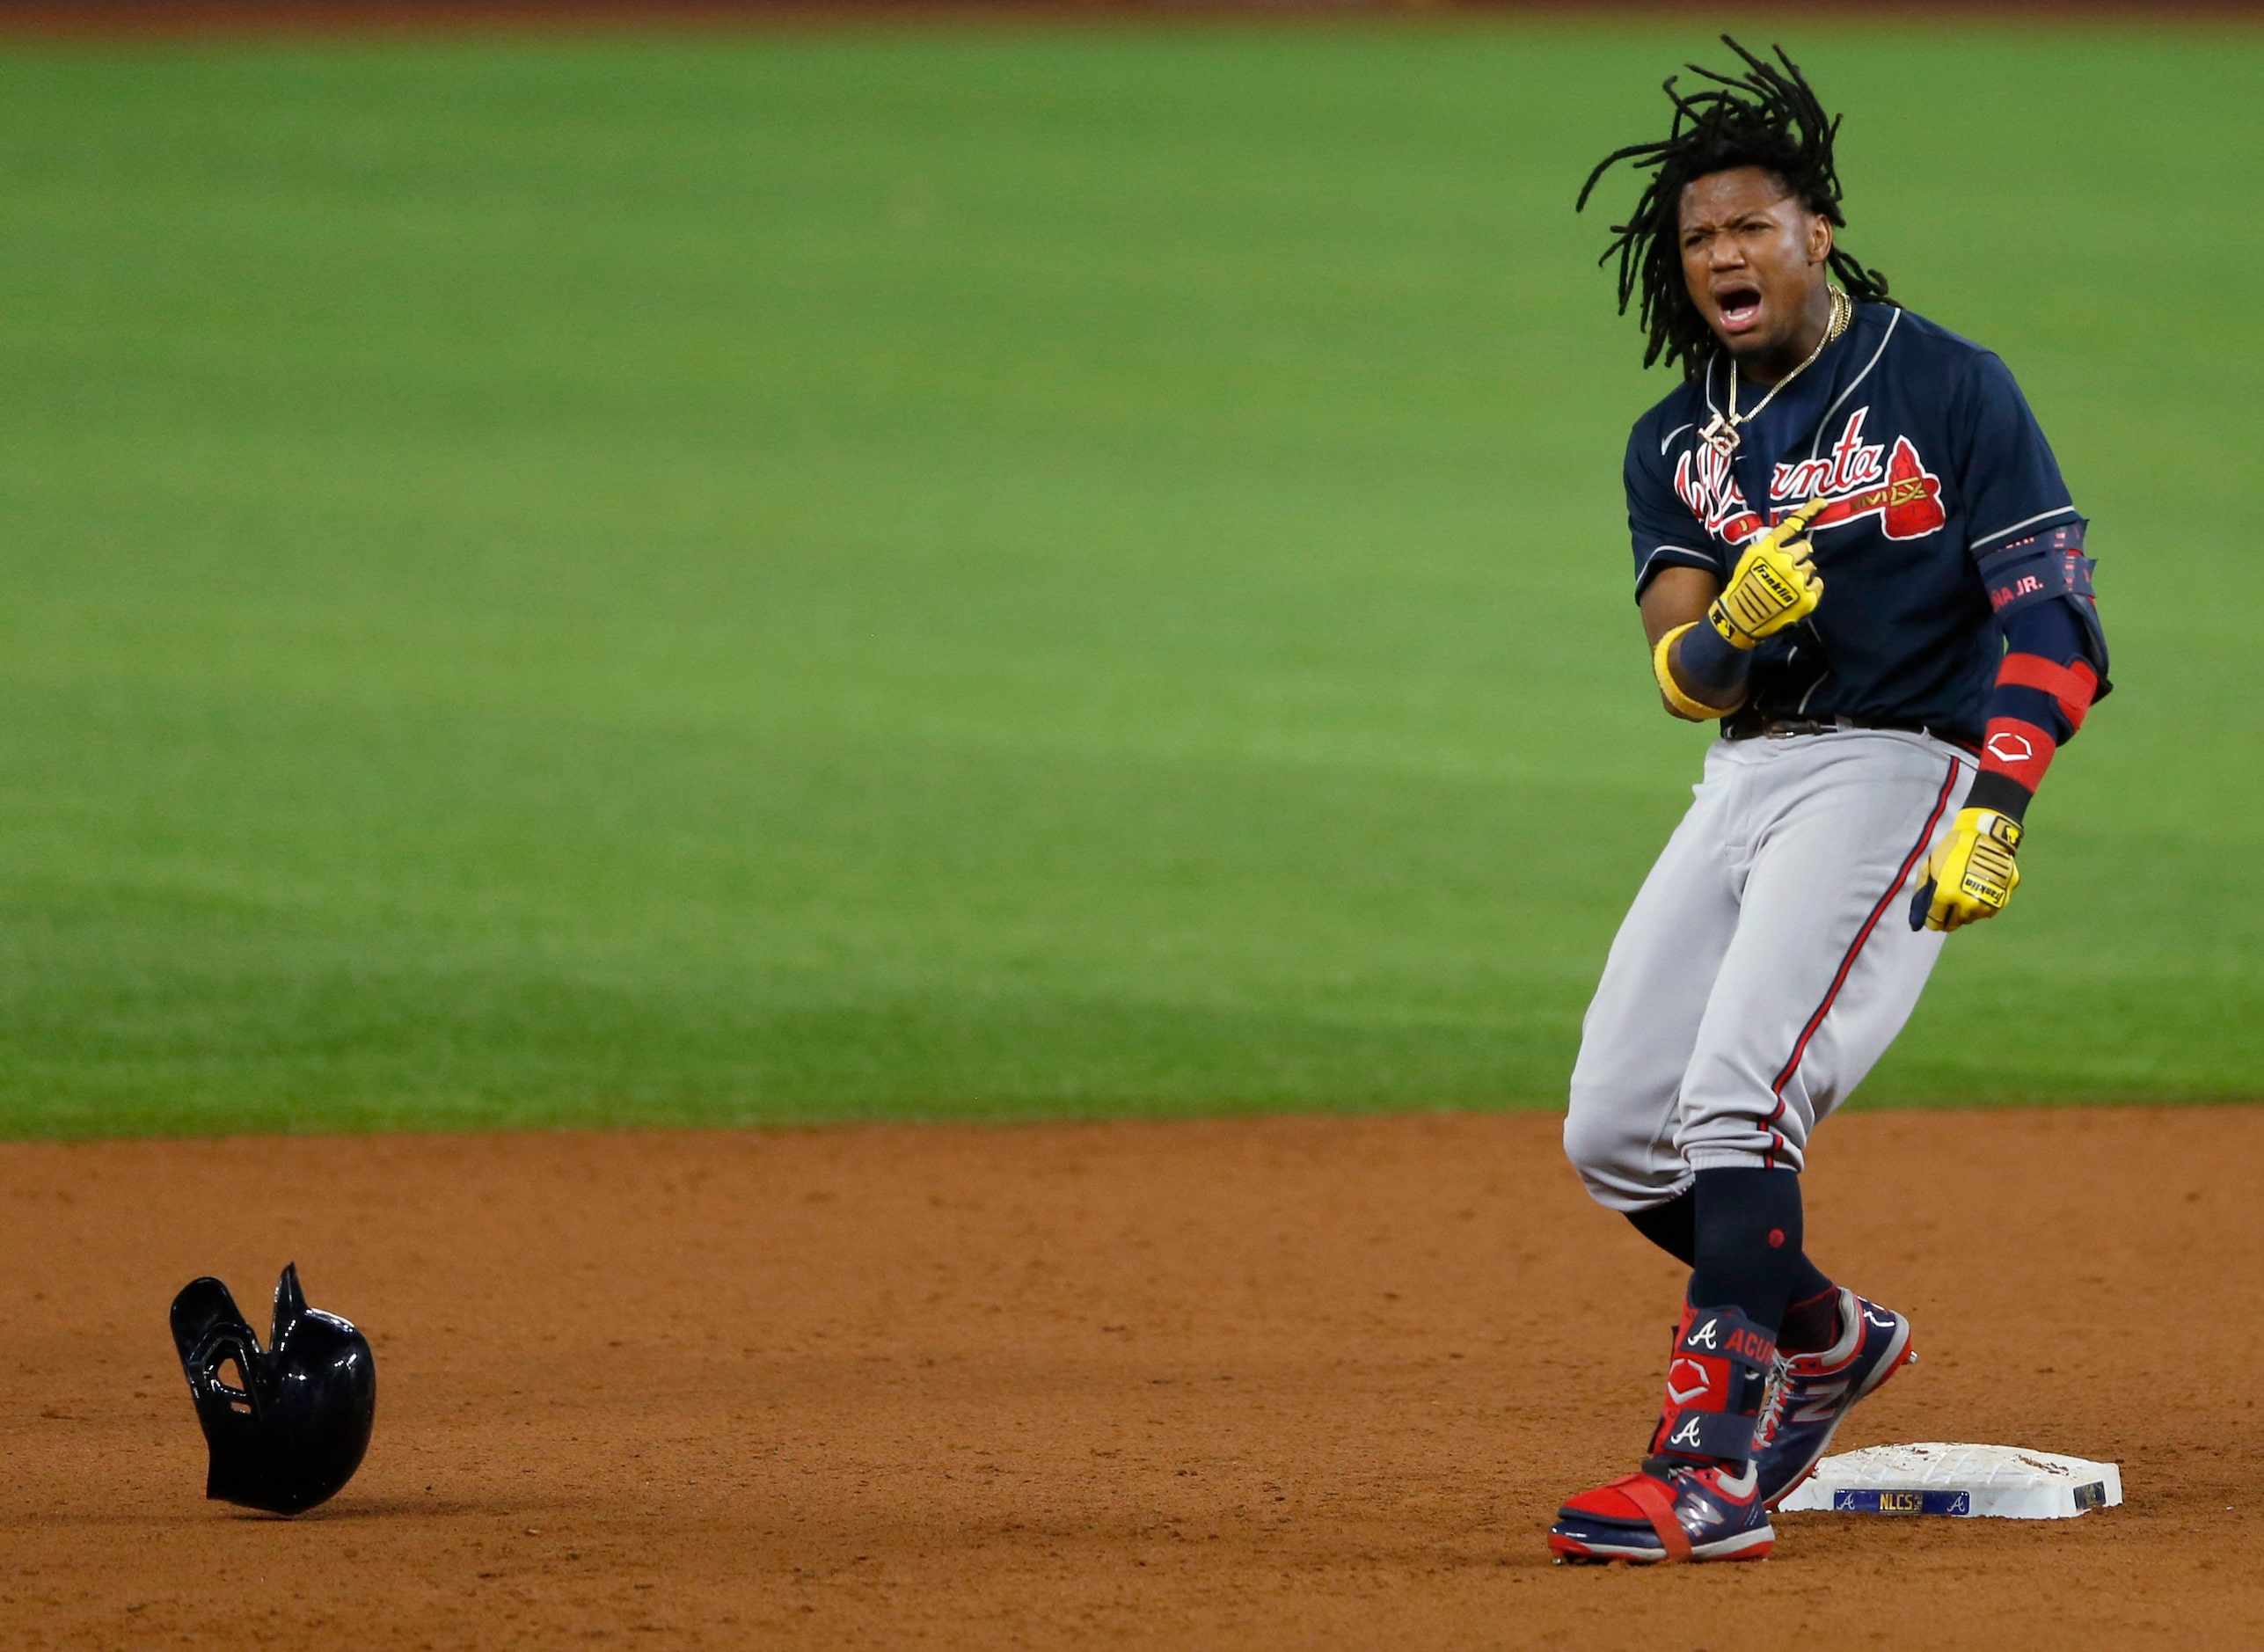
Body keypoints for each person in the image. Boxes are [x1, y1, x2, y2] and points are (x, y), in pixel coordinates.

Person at [1545, 40, 2110, 1564]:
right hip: (1742, 777)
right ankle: (1827, 1337)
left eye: (1748, 225)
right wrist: (1729, 627)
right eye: (1697, 238)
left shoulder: (1945, 385)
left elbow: (2052, 614)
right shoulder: (1677, 437)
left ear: (1816, 231)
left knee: (1739, 1090)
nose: (1720, 254)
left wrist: (1996, 802)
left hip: (1896, 766)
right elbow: (1681, 669)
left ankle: (1712, 1462)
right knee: (1612, 1129)